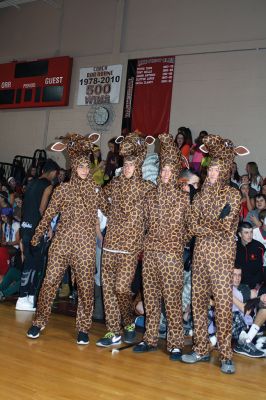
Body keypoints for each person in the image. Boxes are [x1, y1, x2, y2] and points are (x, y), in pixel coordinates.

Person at [181, 134, 249, 374]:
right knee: (198, 304)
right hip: (200, 257)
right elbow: (191, 224)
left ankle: (226, 355)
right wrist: (207, 224)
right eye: (210, 170)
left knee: (222, 306)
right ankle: (200, 349)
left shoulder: (232, 195)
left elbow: (227, 225)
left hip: (221, 259)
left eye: (217, 170)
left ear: (225, 171)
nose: (212, 173)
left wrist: (203, 225)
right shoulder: (199, 196)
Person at [27, 133, 100, 345]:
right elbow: (48, 214)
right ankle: (38, 322)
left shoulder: (95, 192)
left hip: (85, 247)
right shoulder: (62, 190)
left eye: (87, 167)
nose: (85, 170)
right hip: (61, 244)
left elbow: (112, 210)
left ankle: (83, 329)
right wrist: (36, 235)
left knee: (86, 288)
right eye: (81, 167)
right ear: (73, 168)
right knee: (49, 282)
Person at [132, 133, 190, 361]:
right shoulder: (150, 196)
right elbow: (143, 223)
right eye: (162, 171)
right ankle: (150, 339)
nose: (165, 174)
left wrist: (178, 242)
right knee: (152, 298)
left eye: (168, 171)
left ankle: (175, 344)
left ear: (175, 173)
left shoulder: (183, 198)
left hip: (172, 256)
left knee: (173, 301)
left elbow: (191, 226)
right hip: (151, 255)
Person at [96, 133, 155, 347]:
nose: (128, 167)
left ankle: (129, 322)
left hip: (130, 247)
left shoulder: (147, 187)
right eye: (126, 164)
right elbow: (100, 196)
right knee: (107, 289)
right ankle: (113, 331)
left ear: (138, 164)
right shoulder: (116, 182)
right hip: (110, 244)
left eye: (131, 164)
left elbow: (156, 211)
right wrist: (109, 210)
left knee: (121, 289)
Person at [15, 159, 60, 311]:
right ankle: (23, 298)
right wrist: (47, 227)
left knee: (29, 262)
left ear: (42, 171)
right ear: (53, 173)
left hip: (25, 227)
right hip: (36, 229)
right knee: (33, 265)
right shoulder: (48, 185)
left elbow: (27, 206)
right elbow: (42, 209)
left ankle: (26, 298)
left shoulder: (31, 183)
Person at [232, 267, 265, 358]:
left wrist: (261, 298)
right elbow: (244, 309)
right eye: (234, 275)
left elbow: (250, 304)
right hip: (229, 323)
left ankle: (247, 341)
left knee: (264, 307)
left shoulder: (244, 288)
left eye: (239, 275)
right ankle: (243, 343)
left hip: (246, 321)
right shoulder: (223, 289)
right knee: (235, 314)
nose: (237, 278)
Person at [235, 221, 265, 291]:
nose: (250, 235)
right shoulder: (234, 247)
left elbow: (260, 269)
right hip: (238, 284)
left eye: (251, 232)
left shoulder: (259, 247)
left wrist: (254, 285)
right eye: (246, 233)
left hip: (255, 285)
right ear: (240, 234)